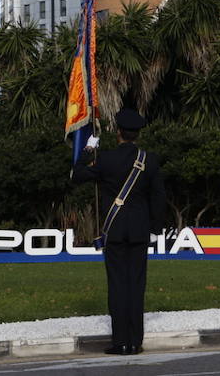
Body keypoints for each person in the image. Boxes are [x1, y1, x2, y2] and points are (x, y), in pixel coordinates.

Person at [71, 108, 166, 357]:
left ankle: (120, 341)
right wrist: (155, 229)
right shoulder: (150, 160)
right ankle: (135, 341)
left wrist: (88, 150)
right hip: (139, 231)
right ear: (137, 134)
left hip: (113, 230)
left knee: (117, 286)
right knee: (136, 285)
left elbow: (77, 175)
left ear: (118, 133)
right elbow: (158, 197)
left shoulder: (106, 159)